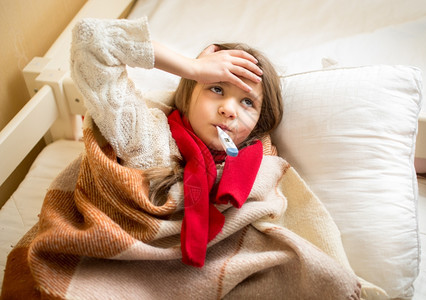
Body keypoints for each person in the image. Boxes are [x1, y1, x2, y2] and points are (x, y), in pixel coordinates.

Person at [71, 17, 283, 268]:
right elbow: (91, 40)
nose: (229, 109)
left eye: (247, 102)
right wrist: (191, 67)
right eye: (216, 89)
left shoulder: (263, 161)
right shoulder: (147, 134)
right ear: (189, 90)